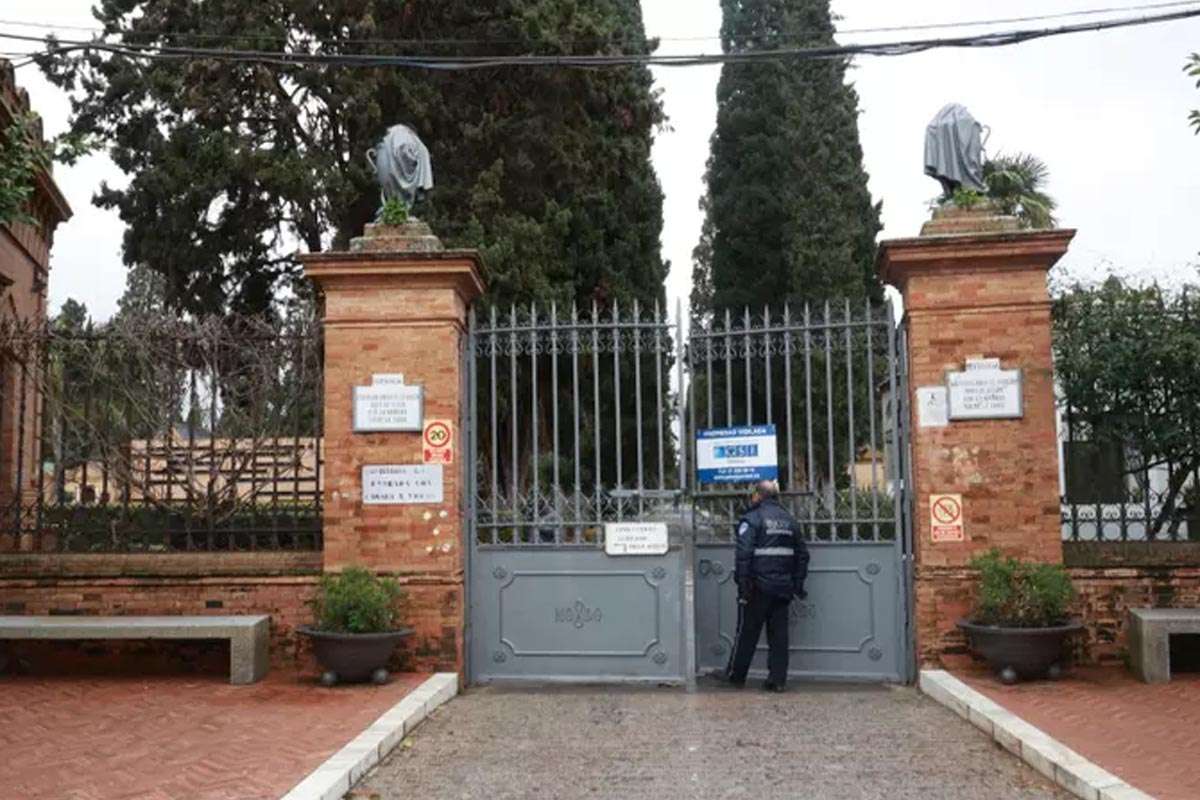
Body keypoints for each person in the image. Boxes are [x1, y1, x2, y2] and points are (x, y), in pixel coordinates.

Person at [726, 479, 810, 692]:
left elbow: (744, 554)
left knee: (746, 633)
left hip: (758, 587)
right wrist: (797, 584)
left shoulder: (752, 518)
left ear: (757, 495)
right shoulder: (790, 520)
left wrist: (743, 584)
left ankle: (736, 677)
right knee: (779, 636)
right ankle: (777, 680)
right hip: (783, 587)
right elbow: (802, 555)